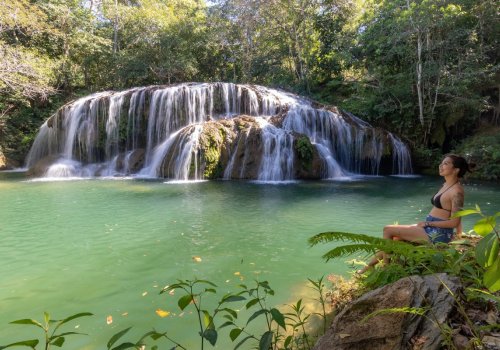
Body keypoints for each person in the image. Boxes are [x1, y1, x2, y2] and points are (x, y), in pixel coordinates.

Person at [357, 154, 473, 274]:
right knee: (395, 240)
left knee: (388, 230)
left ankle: (386, 268)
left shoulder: (456, 191)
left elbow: (455, 221)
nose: (440, 166)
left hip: (437, 234)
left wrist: (429, 224)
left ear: (456, 170)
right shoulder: (446, 185)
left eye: (446, 163)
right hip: (431, 227)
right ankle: (367, 268)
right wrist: (459, 235)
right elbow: (459, 214)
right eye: (441, 163)